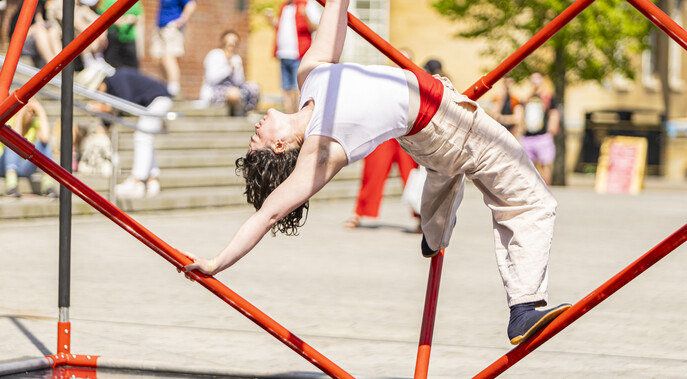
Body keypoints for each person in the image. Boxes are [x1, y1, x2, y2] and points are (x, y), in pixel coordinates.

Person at [182, 0, 570, 346]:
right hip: (450, 126)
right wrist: (216, 263)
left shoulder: (309, 75)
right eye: (257, 139)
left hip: (429, 130)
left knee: (445, 170)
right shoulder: (321, 150)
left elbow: (335, 11)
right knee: (529, 201)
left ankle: (434, 233)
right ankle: (524, 306)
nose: (254, 129)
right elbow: (267, 214)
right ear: (280, 146)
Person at [344, 48, 420, 231]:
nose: (399, 63)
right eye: (397, 59)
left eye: (405, 60)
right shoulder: (382, 81)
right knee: (372, 172)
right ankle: (359, 212)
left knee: (412, 177)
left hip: (407, 135)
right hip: (384, 134)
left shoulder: (416, 83)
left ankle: (422, 217)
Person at [79, 66, 173, 199]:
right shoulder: (115, 84)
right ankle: (152, 179)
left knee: (142, 136)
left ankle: (137, 180)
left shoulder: (118, 78)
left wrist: (102, 107)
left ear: (101, 83)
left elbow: (125, 103)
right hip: (156, 100)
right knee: (146, 137)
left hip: (158, 98)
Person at [266, 0, 322, 113]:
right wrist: (270, 20)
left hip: (299, 54)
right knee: (286, 90)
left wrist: (305, 14)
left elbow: (315, 27)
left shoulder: (307, 4)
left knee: (299, 90)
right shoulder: (284, 7)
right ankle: (288, 118)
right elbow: (280, 27)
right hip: (283, 54)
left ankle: (297, 117)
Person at [0, 98, 57, 198]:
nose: (30, 114)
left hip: (23, 167)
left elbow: (45, 138)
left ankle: (48, 185)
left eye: (33, 112)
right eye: (28, 111)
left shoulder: (34, 125)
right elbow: (15, 140)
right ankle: (11, 186)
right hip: (4, 165)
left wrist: (40, 111)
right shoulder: (11, 120)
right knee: (12, 142)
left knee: (44, 144)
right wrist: (21, 113)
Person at [199, 30, 260, 117]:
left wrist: (236, 69)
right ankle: (238, 114)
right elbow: (212, 79)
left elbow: (240, 81)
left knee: (254, 87)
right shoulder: (214, 55)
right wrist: (228, 69)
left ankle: (249, 112)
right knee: (234, 93)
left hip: (234, 88)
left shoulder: (236, 58)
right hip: (215, 90)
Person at [150, 0, 197, 97]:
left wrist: (180, 21)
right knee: (158, 59)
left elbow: (191, 4)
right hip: (160, 27)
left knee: (168, 57)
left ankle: (174, 90)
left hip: (171, 27)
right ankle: (166, 87)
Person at [520, 72, 560, 185]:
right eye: (532, 78)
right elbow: (520, 112)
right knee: (528, 165)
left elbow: (554, 113)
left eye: (537, 78)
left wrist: (551, 131)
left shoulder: (547, 97)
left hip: (543, 136)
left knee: (544, 165)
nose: (535, 81)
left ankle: (546, 190)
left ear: (542, 80)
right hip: (528, 136)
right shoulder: (527, 97)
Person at [98, 0, 144, 69]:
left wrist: (133, 19)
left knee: (132, 70)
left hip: (129, 39)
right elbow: (100, 18)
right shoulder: (106, 1)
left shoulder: (134, 2)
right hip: (112, 39)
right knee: (112, 70)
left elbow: (140, 18)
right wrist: (122, 20)